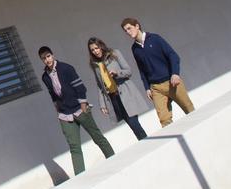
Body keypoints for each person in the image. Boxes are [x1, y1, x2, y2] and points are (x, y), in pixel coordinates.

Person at [38, 45, 114, 174]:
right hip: (65, 114)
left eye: (48, 56)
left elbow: (80, 86)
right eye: (44, 58)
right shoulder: (45, 76)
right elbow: (52, 93)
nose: (47, 60)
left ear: (52, 55)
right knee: (74, 146)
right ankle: (80, 176)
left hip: (79, 109)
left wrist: (83, 104)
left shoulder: (66, 68)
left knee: (97, 137)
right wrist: (57, 107)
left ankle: (114, 160)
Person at [121, 18, 195, 127]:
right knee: (164, 121)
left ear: (137, 26)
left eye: (129, 28)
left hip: (172, 82)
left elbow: (173, 55)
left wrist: (175, 73)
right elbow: (142, 70)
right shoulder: (135, 49)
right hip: (156, 88)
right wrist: (147, 87)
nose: (128, 32)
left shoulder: (155, 39)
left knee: (190, 111)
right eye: (125, 31)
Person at [86, 37, 150, 140]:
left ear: (101, 46)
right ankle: (145, 142)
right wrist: (102, 104)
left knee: (134, 123)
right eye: (92, 50)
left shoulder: (114, 54)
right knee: (132, 125)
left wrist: (117, 73)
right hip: (114, 98)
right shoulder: (95, 65)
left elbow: (128, 71)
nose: (95, 51)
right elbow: (99, 85)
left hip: (126, 93)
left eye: (96, 48)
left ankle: (146, 143)